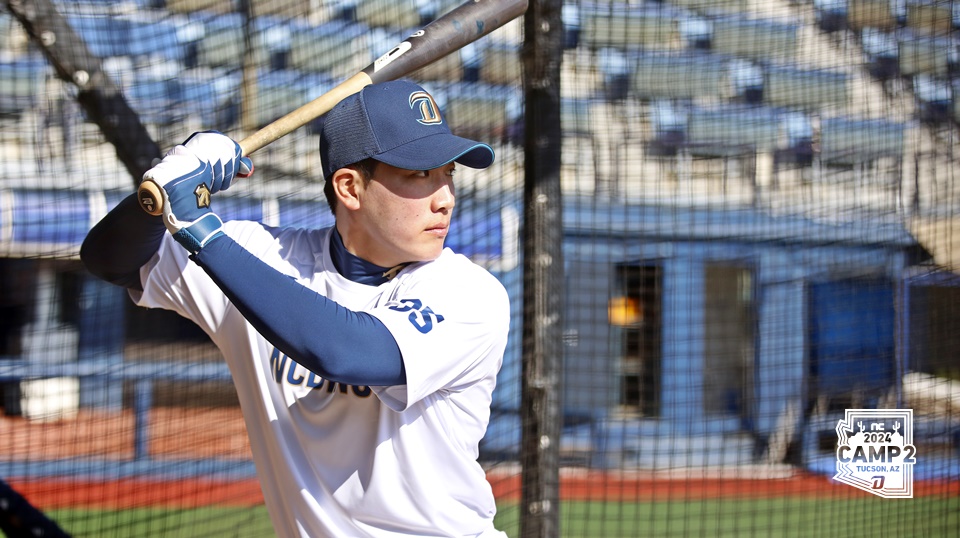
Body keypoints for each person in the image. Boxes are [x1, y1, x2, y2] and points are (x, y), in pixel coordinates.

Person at [80, 80, 511, 537]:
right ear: (349, 187)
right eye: (420, 175)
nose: (445, 198)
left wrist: (201, 231)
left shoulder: (469, 292)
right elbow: (111, 261)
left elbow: (346, 352)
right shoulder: (259, 257)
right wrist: (165, 186)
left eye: (448, 174)